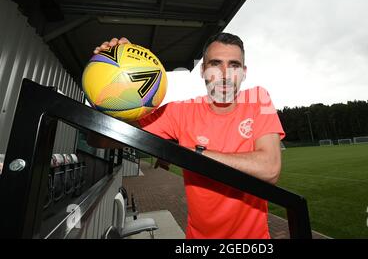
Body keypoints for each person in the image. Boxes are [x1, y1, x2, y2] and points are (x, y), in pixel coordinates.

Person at [93, 33, 285, 238]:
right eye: (215, 64)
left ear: (244, 72)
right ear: (202, 71)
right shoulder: (180, 113)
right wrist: (112, 80)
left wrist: (194, 155)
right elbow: (99, 139)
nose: (225, 74)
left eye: (234, 65)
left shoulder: (258, 100)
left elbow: (270, 168)